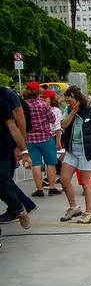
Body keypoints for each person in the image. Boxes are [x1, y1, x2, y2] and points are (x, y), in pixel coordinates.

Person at [59, 86, 91, 225]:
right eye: (67, 101)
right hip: (73, 149)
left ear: (78, 99)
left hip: (87, 150)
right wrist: (72, 112)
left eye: (71, 101)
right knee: (64, 178)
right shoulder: (68, 111)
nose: (69, 104)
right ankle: (74, 207)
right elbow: (63, 125)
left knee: (86, 183)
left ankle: (89, 213)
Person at [0, 86, 36, 225]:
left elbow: (15, 124)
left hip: (4, 147)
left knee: (4, 181)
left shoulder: (4, 97)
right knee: (5, 181)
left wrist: (22, 149)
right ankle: (22, 206)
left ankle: (18, 208)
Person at [22, 82, 59, 197]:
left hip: (30, 139)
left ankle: (39, 189)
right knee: (50, 163)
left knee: (36, 164)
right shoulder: (43, 105)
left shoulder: (23, 106)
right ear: (38, 92)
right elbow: (53, 119)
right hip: (46, 138)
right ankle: (52, 188)